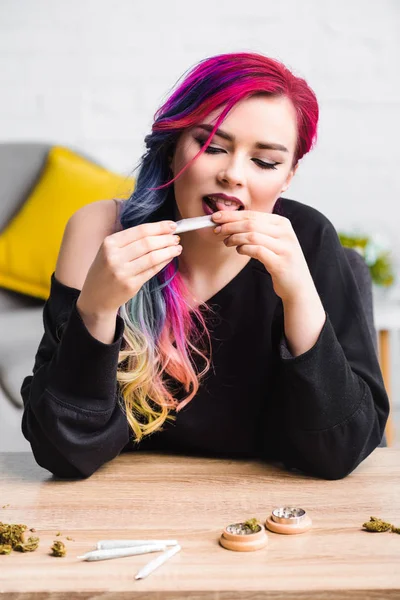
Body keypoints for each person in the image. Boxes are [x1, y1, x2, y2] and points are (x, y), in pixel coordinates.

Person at [21, 52, 389, 480]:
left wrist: (299, 296)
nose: (233, 174)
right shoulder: (100, 231)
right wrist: (97, 311)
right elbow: (60, 453)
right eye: (212, 146)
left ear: (288, 176)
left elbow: (341, 451)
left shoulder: (310, 240)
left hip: (269, 512)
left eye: (265, 162)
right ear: (174, 147)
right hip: (127, 505)